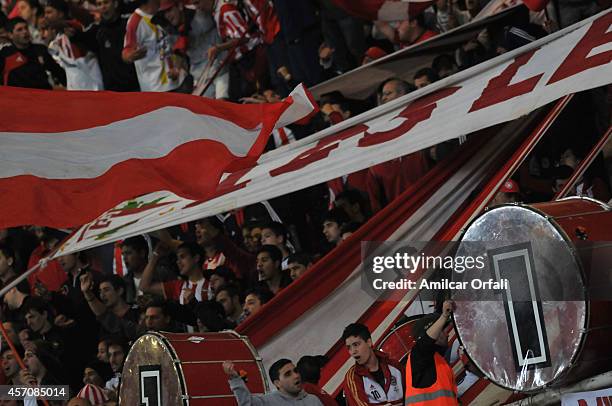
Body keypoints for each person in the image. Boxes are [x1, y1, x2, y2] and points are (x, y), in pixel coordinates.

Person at [405, 300, 458, 405]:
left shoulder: (438, 360)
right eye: (442, 330)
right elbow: (425, 343)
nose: (447, 334)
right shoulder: (417, 356)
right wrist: (443, 317)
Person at [342, 323, 403, 405]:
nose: (353, 351)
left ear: (369, 342)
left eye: (356, 345)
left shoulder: (395, 366)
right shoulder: (352, 378)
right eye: (349, 347)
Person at [223, 358, 324, 405]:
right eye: (288, 374)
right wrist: (235, 379)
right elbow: (247, 403)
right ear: (277, 383)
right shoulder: (268, 402)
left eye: (295, 371)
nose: (296, 376)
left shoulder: (313, 400)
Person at [0, 17, 66, 88]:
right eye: (19, 30)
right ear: (10, 35)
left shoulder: (40, 50)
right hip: (17, 97)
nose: (25, 32)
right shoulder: (5, 54)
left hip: (41, 96)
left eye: (26, 28)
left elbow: (59, 73)